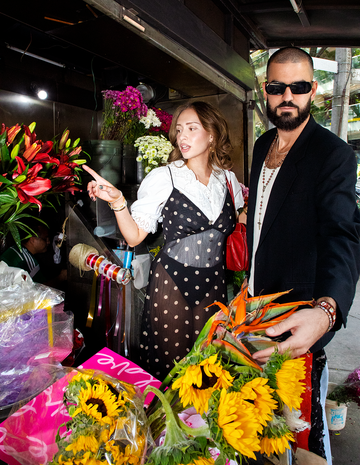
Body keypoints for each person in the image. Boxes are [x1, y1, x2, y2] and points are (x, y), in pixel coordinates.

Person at [247, 47, 360, 463]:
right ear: (266, 90)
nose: (287, 97)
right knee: (265, 429)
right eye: (277, 88)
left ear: (313, 89)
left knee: (305, 439)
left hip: (300, 320)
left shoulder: (333, 155)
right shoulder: (262, 145)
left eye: (298, 87)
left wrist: (327, 310)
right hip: (256, 313)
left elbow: (342, 236)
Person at [84, 101, 244, 379]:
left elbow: (238, 223)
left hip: (215, 288)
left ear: (212, 136)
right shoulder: (164, 177)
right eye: (179, 130)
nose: (182, 137)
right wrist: (118, 201)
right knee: (170, 370)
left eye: (192, 129)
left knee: (209, 370)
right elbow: (134, 237)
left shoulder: (228, 180)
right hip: (171, 284)